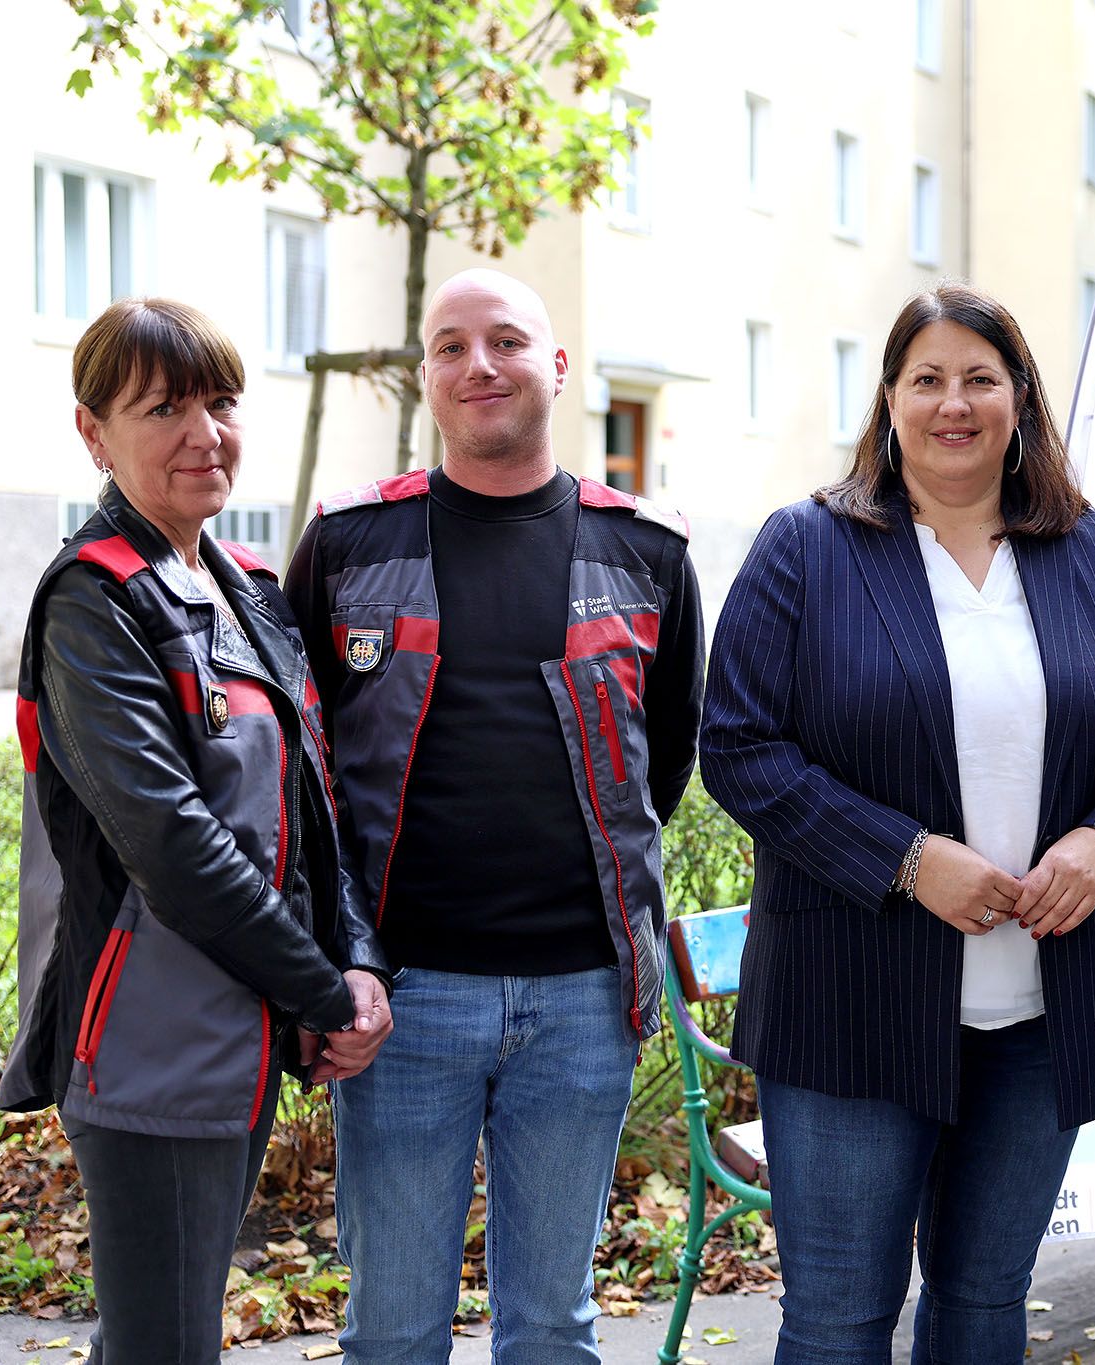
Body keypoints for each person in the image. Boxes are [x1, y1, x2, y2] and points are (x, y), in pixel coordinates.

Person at [700, 282, 1095, 1362]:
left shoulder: (1092, 554)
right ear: (888, 401)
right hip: (849, 1010)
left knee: (983, 1310)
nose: (953, 403)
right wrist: (905, 859)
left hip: (1039, 1014)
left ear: (1018, 399)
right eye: (925, 378)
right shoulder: (806, 549)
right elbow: (738, 749)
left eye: (979, 378)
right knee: (837, 1323)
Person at [286, 268, 704, 1364]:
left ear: (557, 367)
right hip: (401, 1001)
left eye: (506, 341)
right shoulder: (346, 546)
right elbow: (304, 777)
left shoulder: (647, 553)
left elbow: (660, 769)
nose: (479, 365)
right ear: (424, 376)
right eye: (450, 346)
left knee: (553, 1330)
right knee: (391, 1331)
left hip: (579, 1003)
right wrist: (338, 963)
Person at [0, 298, 394, 1365]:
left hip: (244, 1030)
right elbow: (166, 839)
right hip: (148, 1042)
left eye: (219, 402)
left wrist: (353, 961)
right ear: (93, 431)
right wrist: (320, 988)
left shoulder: (242, 589)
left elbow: (317, 806)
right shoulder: (93, 603)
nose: (202, 434)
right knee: (163, 1346)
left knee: (167, 1335)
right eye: (162, 407)